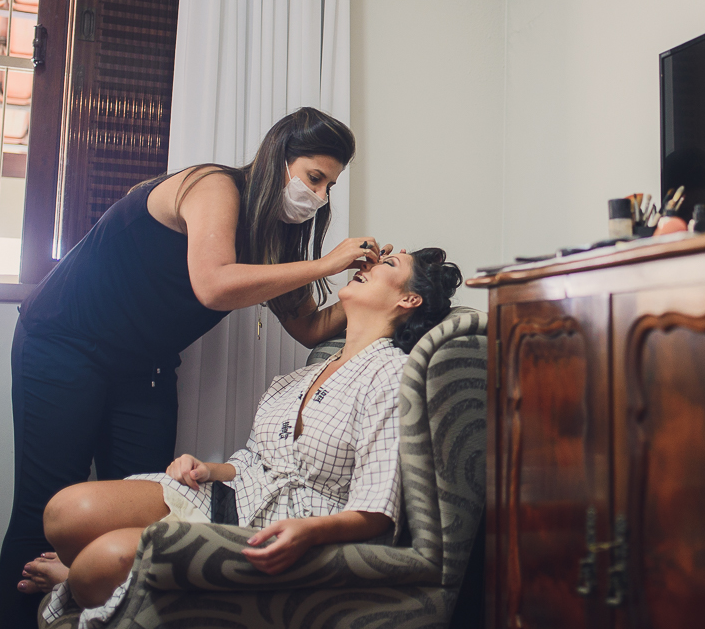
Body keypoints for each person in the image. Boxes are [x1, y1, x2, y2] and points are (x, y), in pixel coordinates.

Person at [0, 107, 388, 629]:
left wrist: (373, 292)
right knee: (43, 508)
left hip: (145, 366)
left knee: (143, 509)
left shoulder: (275, 237)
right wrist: (327, 264)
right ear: (278, 159)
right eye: (314, 178)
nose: (319, 197)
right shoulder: (213, 188)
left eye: (330, 187)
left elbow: (311, 327)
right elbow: (213, 283)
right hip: (66, 342)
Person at [34, 248, 461, 624]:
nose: (368, 263)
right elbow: (255, 459)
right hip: (233, 496)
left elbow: (377, 510)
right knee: (65, 512)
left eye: (387, 263)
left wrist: (311, 533)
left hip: (282, 530)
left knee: (100, 564)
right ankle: (91, 577)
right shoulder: (301, 376)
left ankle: (78, 581)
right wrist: (209, 468)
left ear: (409, 299)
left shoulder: (392, 374)